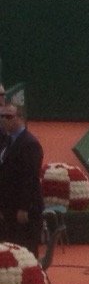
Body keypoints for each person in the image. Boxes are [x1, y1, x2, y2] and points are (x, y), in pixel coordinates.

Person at [0, 102, 43, 250]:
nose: (4, 119)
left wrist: (24, 208)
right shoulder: (7, 141)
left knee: (26, 253)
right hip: (8, 208)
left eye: (8, 116)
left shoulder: (30, 144)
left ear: (20, 118)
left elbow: (30, 178)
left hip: (24, 211)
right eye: (1, 116)